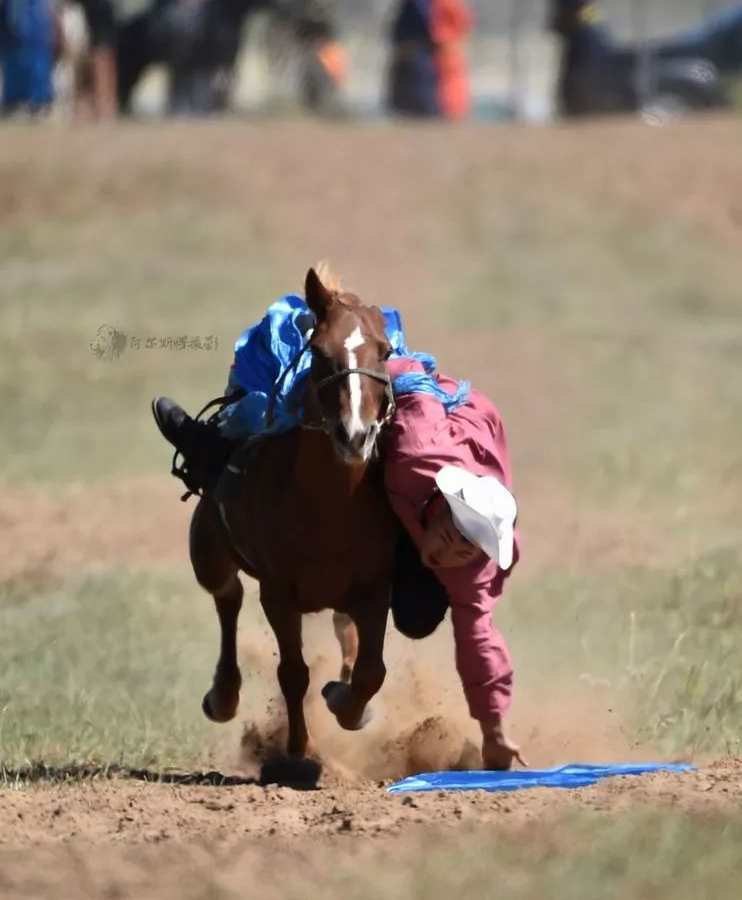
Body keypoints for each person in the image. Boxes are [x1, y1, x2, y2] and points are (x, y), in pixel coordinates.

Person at [151, 294, 526, 771]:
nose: (449, 553)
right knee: (287, 415)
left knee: (415, 614)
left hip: (466, 452)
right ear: (442, 508)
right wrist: (360, 368)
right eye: (451, 537)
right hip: (426, 404)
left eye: (462, 551)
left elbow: (479, 635)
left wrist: (494, 731)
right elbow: (406, 381)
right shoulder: (414, 451)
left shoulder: (472, 566)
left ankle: (356, 683)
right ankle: (209, 446)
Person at [530, 0, 613, 116]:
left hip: (584, 34)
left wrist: (564, 22)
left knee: (579, 73)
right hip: (581, 32)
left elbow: (581, 1)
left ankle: (578, 108)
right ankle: (574, 108)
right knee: (575, 72)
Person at [66, 0, 118, 119]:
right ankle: (103, 113)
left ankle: (81, 113)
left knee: (80, 83)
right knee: (102, 83)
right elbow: (113, 22)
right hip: (102, 45)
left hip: (79, 46)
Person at [386, 0, 438, 118]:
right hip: (407, 51)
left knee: (418, 87)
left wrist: (414, 43)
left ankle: (423, 115)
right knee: (404, 89)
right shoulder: (407, 0)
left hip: (416, 51)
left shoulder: (417, 0)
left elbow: (425, 24)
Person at [424, 0, 474, 120]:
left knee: (452, 81)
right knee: (440, 81)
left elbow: (464, 22)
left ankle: (454, 111)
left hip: (449, 46)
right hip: (439, 47)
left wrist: (452, 39)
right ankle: (444, 110)